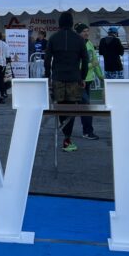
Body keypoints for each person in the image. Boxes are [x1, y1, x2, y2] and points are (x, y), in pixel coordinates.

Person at [44, 12, 88, 153]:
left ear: (60, 23)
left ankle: (64, 134)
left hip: (58, 78)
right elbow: (85, 60)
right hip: (74, 79)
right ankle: (67, 138)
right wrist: (82, 77)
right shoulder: (79, 39)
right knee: (71, 108)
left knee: (60, 107)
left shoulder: (53, 38)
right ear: (71, 22)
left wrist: (47, 76)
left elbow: (47, 59)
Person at [75, 23, 102, 140]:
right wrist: (91, 65)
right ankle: (87, 131)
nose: (86, 33)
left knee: (84, 106)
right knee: (86, 106)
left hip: (89, 79)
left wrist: (101, 76)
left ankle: (86, 130)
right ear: (78, 33)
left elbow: (95, 61)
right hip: (80, 80)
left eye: (87, 31)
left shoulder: (90, 43)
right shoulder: (76, 45)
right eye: (83, 31)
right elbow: (78, 65)